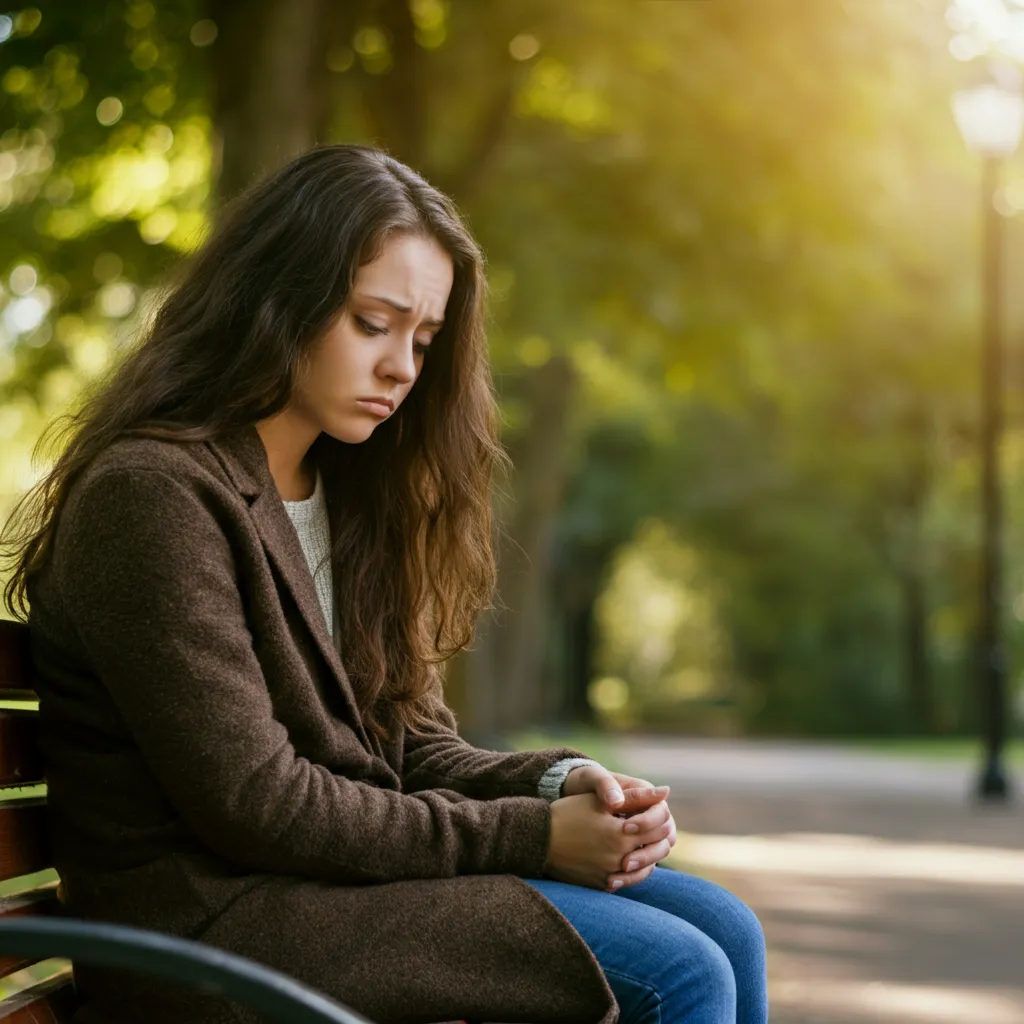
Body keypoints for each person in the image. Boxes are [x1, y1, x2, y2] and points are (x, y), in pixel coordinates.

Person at [1, 145, 767, 1024]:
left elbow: (410, 745)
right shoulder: (153, 498)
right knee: (681, 970)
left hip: (318, 897)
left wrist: (561, 786)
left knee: (726, 927)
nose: (404, 367)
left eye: (424, 339)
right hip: (213, 930)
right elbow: (258, 803)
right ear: (279, 300)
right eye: (374, 323)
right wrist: (533, 838)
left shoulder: (350, 496)